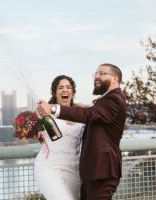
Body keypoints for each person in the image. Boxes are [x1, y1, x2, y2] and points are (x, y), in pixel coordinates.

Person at [37, 63, 127, 200]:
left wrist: (54, 109)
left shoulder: (114, 99)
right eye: (96, 74)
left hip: (102, 170)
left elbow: (89, 115)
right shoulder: (105, 101)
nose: (97, 76)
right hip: (92, 171)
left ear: (115, 79)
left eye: (102, 73)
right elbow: (94, 114)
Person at [34, 75, 85, 200]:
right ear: (54, 92)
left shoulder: (81, 112)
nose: (65, 90)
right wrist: (34, 131)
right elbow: (32, 132)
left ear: (72, 93)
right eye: (60, 88)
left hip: (75, 171)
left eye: (68, 87)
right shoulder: (44, 113)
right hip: (50, 168)